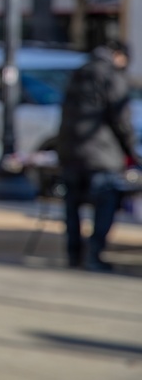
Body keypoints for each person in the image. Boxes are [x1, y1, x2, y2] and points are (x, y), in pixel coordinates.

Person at [57, 38, 141, 272]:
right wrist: (131, 153)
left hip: (71, 152)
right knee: (104, 204)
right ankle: (95, 255)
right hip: (102, 155)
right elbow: (121, 120)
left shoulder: (78, 72)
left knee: (72, 206)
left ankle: (73, 255)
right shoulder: (112, 76)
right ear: (119, 56)